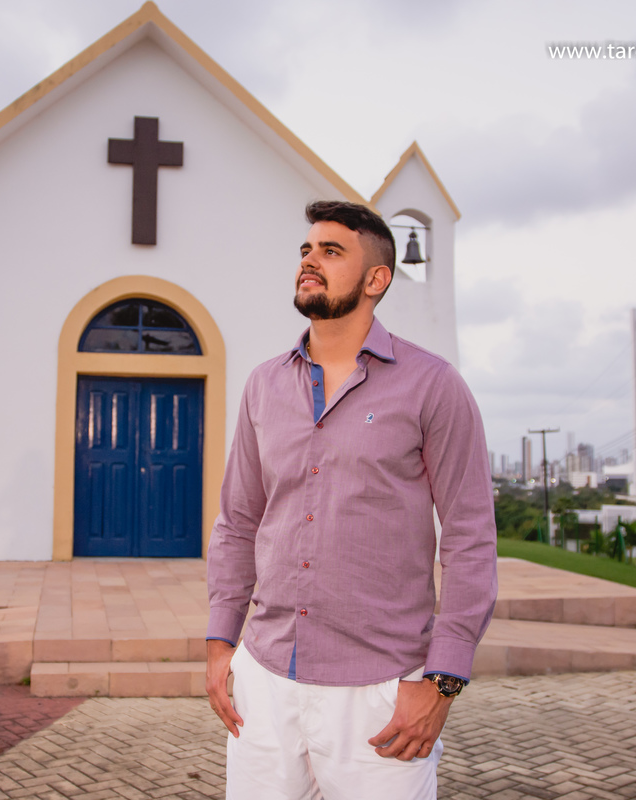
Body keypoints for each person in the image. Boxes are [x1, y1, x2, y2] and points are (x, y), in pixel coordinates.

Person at [205, 200, 498, 799]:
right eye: (307, 250)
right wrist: (220, 645)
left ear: (376, 279)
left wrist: (441, 683)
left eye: (331, 251)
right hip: (264, 680)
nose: (310, 260)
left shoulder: (433, 385)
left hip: (381, 694)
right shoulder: (264, 384)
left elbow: (470, 536)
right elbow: (238, 521)